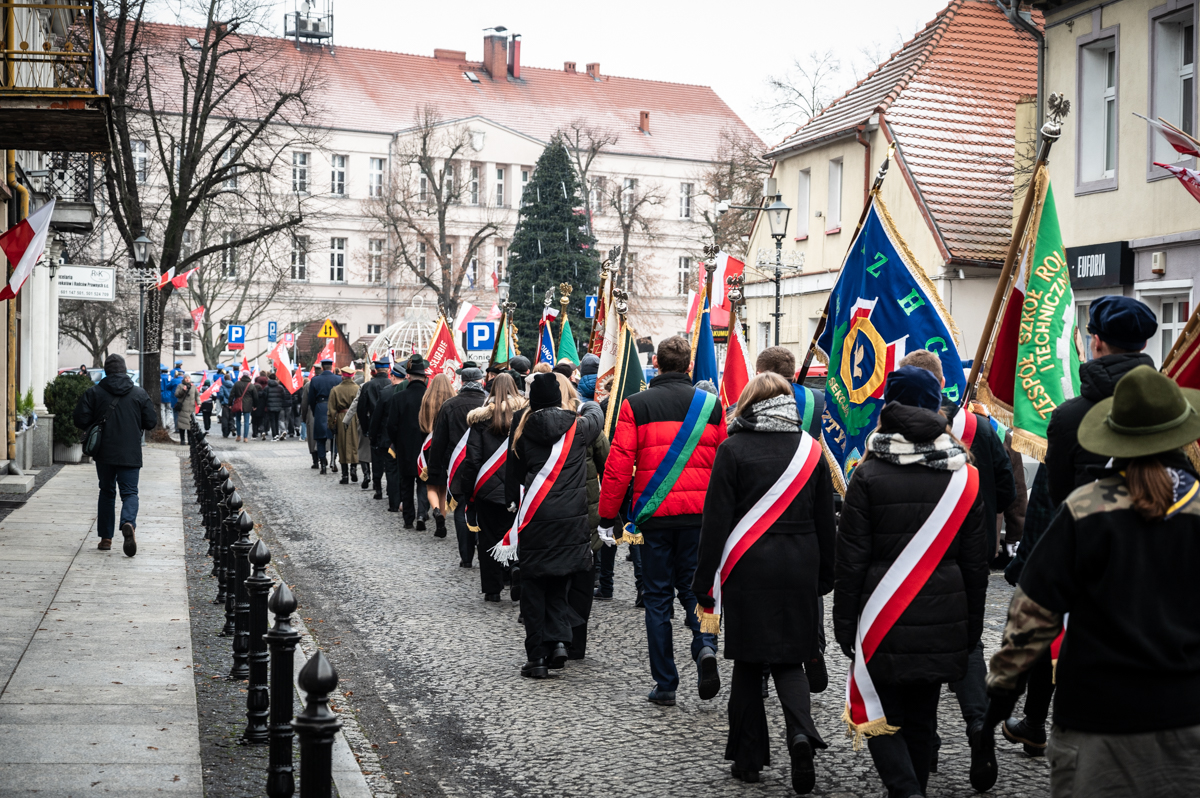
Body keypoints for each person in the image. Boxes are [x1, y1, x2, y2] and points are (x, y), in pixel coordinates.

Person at [986, 366, 1200, 796]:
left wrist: (1000, 697)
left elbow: (1032, 616)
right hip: (1188, 716)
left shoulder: (1085, 508)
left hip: (1097, 716)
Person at [834, 366, 988, 798]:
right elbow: (978, 565)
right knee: (923, 719)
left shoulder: (867, 474)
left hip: (883, 617)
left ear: (889, 407)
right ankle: (912, 787)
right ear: (936, 406)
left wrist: (844, 624)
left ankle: (906, 791)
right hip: (946, 615)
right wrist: (970, 626)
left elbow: (851, 561)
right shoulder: (964, 475)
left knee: (876, 712)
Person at [693, 372, 835, 791]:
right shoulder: (811, 451)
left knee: (750, 664)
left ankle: (748, 757)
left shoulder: (732, 449)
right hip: (800, 565)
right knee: (792, 658)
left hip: (747, 568)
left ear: (749, 404)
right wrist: (826, 575)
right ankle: (800, 734)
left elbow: (715, 523)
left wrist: (705, 583)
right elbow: (826, 520)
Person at [897, 349, 1015, 789]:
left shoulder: (894, 434)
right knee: (965, 648)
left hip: (909, 562)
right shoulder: (979, 428)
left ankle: (922, 746)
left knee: (919, 654)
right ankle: (978, 729)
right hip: (970, 556)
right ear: (941, 380)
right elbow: (1006, 490)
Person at [597, 335, 725, 707]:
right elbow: (723, 464)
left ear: (656, 364)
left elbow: (619, 466)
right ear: (688, 366)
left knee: (656, 599)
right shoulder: (712, 406)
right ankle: (704, 646)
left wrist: (608, 515)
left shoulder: (635, 404)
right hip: (700, 515)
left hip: (652, 517)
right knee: (695, 589)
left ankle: (666, 683)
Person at [505, 372, 604, 678]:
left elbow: (514, 477)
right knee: (560, 582)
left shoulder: (522, 430)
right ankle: (559, 642)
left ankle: (536, 658)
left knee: (534, 589)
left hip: (537, 518)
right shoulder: (578, 427)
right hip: (572, 520)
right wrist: (583, 402)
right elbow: (597, 414)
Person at [1045, 295, 1157, 506]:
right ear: (1144, 345)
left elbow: (1060, 498)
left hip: (1091, 534)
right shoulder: (1171, 407)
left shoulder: (1066, 417)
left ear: (1096, 343)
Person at [73, 354, 157, 555]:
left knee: (107, 492)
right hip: (130, 452)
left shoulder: (94, 392)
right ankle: (128, 522)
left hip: (104, 452)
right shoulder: (139, 393)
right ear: (124, 370)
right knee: (130, 493)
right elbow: (151, 422)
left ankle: (106, 538)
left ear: (106, 371)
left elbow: (80, 419)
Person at [454, 373, 525, 601]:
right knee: (514, 533)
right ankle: (514, 569)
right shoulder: (525, 418)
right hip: (517, 489)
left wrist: (468, 492)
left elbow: (472, 460)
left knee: (487, 539)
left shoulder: (480, 421)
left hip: (486, 491)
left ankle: (493, 590)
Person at [430, 363, 488, 566]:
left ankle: (466, 557)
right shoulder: (489, 403)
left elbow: (438, 440)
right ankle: (485, 553)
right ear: (481, 381)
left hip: (457, 466)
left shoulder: (449, 405)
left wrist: (435, 468)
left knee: (462, 508)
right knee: (484, 509)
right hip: (485, 466)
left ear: (462, 382)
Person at [386, 356, 431, 527]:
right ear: (425, 377)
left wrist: (396, 442)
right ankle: (421, 514)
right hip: (426, 446)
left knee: (406, 482)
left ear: (409, 377)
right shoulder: (430, 397)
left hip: (405, 446)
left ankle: (408, 518)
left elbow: (391, 425)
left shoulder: (399, 397)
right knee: (423, 481)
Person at [754, 346, 825, 437]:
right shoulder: (819, 398)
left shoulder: (749, 404)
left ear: (758, 374)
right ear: (792, 373)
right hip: (812, 450)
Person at [419, 373, 455, 537]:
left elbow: (421, 422)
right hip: (447, 446)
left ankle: (435, 510)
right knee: (443, 487)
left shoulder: (426, 400)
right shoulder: (452, 400)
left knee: (431, 485)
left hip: (429, 445)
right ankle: (442, 521)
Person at [369, 362, 406, 507]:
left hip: (387, 439)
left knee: (391, 470)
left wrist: (373, 436)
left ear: (393, 377)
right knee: (403, 471)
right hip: (405, 439)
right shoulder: (409, 392)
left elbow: (376, 418)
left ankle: (394, 503)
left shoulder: (385, 393)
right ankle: (405, 499)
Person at [355, 360, 392, 493]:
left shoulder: (368, 386)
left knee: (376, 458)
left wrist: (366, 429)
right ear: (388, 370)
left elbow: (361, 410)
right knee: (390, 459)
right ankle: (390, 487)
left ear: (375, 370)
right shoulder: (392, 384)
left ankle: (378, 488)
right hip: (390, 426)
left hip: (374, 425)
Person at [307, 358, 341, 474]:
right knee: (334, 438)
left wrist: (315, 409)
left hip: (320, 408)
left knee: (320, 439)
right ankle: (333, 461)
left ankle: (322, 464)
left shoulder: (315, 380)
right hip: (334, 409)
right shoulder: (338, 379)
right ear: (331, 367)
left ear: (322, 367)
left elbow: (311, 398)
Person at [328, 365, 361, 484]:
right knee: (355, 444)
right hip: (355, 417)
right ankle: (354, 468)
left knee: (342, 445)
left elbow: (331, 410)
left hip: (342, 418)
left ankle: (345, 475)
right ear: (352, 377)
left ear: (342, 376)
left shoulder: (335, 390)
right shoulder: (358, 388)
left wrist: (331, 425)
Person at [230, 371, 256, 443]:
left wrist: (230, 404)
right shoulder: (251, 385)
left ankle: (238, 436)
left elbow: (232, 394)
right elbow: (255, 397)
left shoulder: (237, 384)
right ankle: (245, 437)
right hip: (247, 405)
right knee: (246, 421)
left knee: (238, 420)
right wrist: (255, 405)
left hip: (238, 404)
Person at [174, 373, 198, 445]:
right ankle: (182, 440)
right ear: (184, 379)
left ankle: (190, 440)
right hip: (183, 408)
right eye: (186, 378)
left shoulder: (193, 387)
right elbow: (177, 395)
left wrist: (199, 402)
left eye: (188, 378)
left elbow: (197, 395)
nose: (187, 379)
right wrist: (183, 390)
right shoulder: (180, 386)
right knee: (182, 426)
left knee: (190, 426)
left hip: (191, 409)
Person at [265, 371, 288, 440]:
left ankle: (274, 435)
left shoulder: (267, 388)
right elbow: (284, 396)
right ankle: (277, 434)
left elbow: (265, 397)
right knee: (277, 420)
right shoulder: (280, 387)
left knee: (272, 421)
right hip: (278, 406)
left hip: (270, 406)